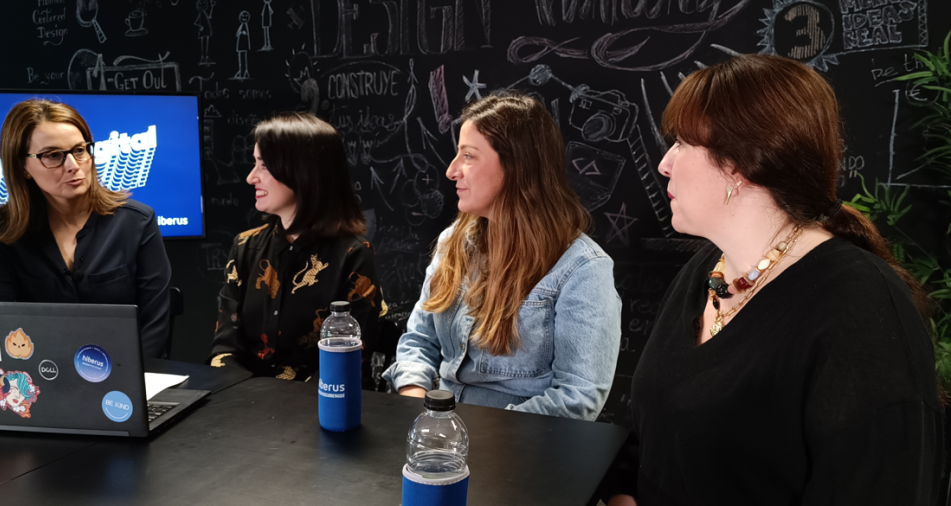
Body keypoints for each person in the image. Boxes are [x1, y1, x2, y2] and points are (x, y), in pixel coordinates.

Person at [626, 54, 943, 505]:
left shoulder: (859, 309)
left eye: (681, 143)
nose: (665, 163)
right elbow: (655, 438)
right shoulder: (706, 271)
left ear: (739, 163)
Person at [382, 93, 622, 421]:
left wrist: (476, 438)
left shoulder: (582, 269)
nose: (452, 171)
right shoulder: (453, 242)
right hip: (438, 429)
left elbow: (577, 397)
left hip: (519, 451)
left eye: (468, 156)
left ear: (515, 167)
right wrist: (420, 405)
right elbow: (419, 341)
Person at [0, 99, 172, 359]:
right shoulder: (4, 229)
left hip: (125, 381)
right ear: (23, 167)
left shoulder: (137, 221)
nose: (73, 165)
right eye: (53, 155)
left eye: (80, 150)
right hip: (39, 381)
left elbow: (154, 327)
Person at [209, 112, 384, 383]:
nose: (251, 178)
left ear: (301, 172)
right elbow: (225, 349)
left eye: (264, 166)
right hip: (245, 406)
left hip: (318, 408)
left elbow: (348, 361)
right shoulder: (245, 247)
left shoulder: (353, 255)